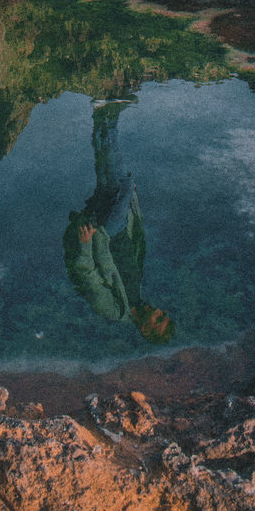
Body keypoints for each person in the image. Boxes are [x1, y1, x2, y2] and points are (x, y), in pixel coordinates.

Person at [62, 100, 174, 345]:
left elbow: (87, 276)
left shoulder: (114, 310)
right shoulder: (136, 297)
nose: (157, 311)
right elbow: (133, 251)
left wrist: (84, 244)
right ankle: (102, 116)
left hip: (107, 233)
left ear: (144, 331)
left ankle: (108, 116)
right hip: (118, 229)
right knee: (107, 178)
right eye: (162, 314)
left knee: (122, 184)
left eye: (157, 319)